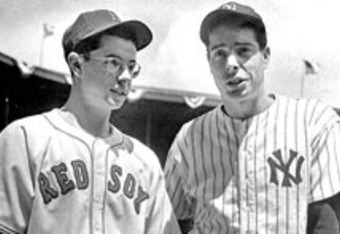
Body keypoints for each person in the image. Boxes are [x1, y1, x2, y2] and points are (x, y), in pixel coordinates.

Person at [164, 2, 340, 233]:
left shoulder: (314, 122)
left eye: (243, 50)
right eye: (219, 53)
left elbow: (325, 223)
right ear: (209, 62)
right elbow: (171, 221)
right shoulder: (189, 137)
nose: (231, 64)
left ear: (265, 56)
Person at [0, 9, 180, 234]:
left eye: (132, 67)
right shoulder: (25, 138)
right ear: (77, 65)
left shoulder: (145, 161)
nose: (125, 77)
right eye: (114, 63)